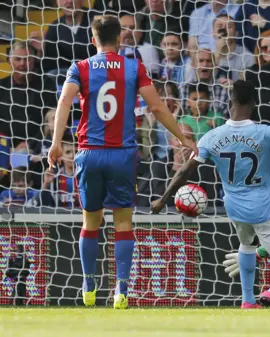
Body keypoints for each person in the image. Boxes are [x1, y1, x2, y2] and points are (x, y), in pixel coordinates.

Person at [48, 15, 197, 310]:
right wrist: (181, 137)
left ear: (93, 40)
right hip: (122, 154)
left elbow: (64, 102)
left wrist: (55, 143)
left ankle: (89, 284)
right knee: (123, 222)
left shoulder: (80, 68)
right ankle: (121, 291)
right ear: (119, 39)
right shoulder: (134, 66)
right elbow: (156, 106)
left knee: (91, 221)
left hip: (89, 153)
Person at [151, 80, 270, 309]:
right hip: (264, 208)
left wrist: (163, 198)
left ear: (230, 103)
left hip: (235, 208)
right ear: (254, 104)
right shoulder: (265, 133)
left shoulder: (212, 136)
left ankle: (248, 300)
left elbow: (184, 170)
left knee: (247, 245)